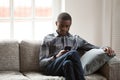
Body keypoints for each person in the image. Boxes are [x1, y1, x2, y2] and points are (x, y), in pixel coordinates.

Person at [39, 12, 115, 80]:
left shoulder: (75, 39)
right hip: (51, 68)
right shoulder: (48, 39)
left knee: (68, 63)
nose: (64, 29)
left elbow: (92, 47)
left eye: (67, 26)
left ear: (70, 25)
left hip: (63, 68)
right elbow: (42, 63)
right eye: (61, 26)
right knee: (73, 53)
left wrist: (106, 48)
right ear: (56, 23)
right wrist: (57, 56)